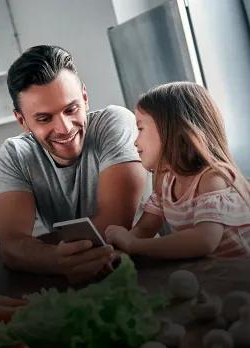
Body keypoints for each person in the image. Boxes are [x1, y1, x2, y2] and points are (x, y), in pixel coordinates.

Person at [0, 45, 146, 283]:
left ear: (85, 98)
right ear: (21, 120)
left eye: (71, 109)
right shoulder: (17, 153)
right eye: (45, 118)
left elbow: (110, 229)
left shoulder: (114, 123)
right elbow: (10, 245)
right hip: (78, 282)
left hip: (145, 269)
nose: (65, 128)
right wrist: (55, 260)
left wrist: (45, 256)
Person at [105, 82, 250, 260]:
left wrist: (133, 245)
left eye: (140, 129)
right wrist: (116, 254)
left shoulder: (212, 179)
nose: (135, 142)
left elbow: (204, 241)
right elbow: (144, 230)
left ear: (172, 130)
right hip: (209, 276)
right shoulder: (165, 182)